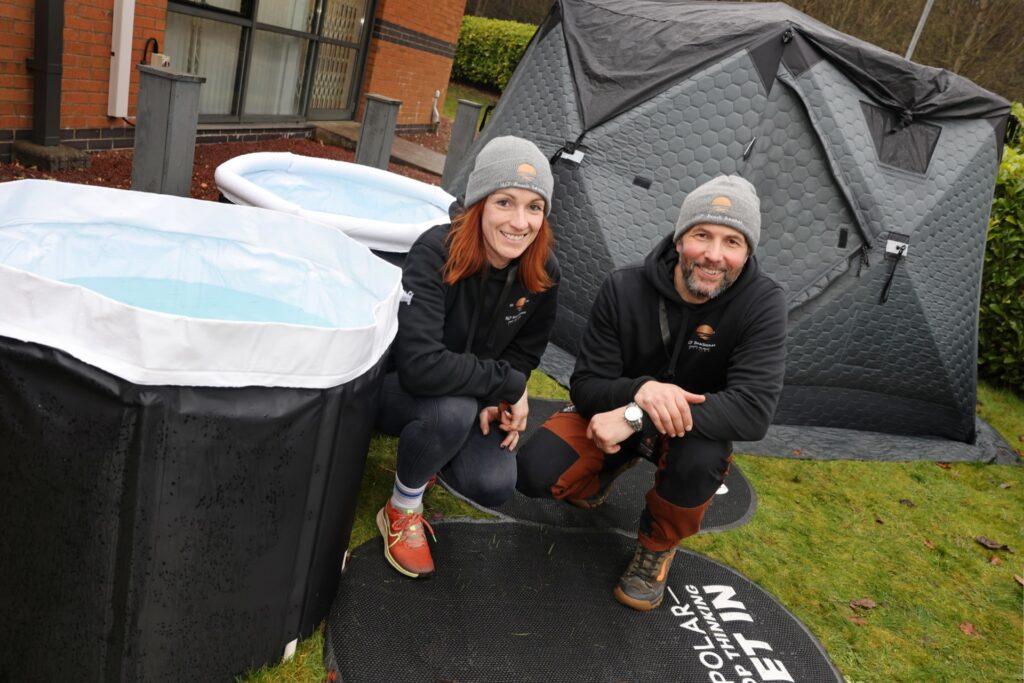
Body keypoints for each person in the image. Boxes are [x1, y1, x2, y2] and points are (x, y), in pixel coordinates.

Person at [516, 175, 786, 611]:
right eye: (702, 235)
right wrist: (641, 391)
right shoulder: (624, 287)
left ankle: (657, 545)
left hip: (690, 432)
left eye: (732, 242)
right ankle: (610, 464)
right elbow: (587, 384)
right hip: (616, 410)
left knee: (702, 459)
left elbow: (753, 411)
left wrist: (636, 414)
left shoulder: (763, 303)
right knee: (534, 471)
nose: (714, 255)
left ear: (747, 252)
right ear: (680, 240)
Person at [376, 136, 559, 579]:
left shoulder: (543, 271)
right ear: (479, 203)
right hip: (395, 391)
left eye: (534, 207)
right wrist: (508, 388)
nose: (520, 222)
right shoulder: (434, 251)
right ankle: (401, 507)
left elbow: (523, 354)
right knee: (451, 410)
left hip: (468, 396)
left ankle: (429, 457)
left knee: (493, 483)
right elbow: (420, 365)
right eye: (505, 202)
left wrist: (499, 398)